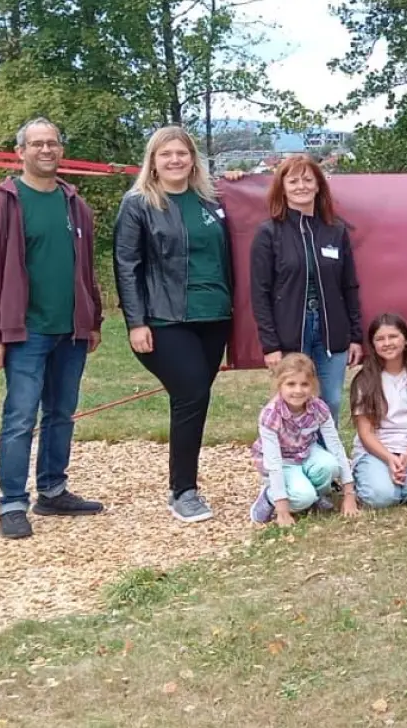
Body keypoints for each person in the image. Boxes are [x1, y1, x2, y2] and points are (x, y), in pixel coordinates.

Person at [0, 118, 106, 540]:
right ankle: (12, 501)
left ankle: (53, 490)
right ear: (20, 152)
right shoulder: (1, 204)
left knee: (61, 414)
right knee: (20, 417)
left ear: (61, 150)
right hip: (26, 332)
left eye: (53, 143)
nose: (46, 150)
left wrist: (93, 318)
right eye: (37, 144)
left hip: (71, 331)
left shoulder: (74, 204)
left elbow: (86, 268)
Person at [114, 124, 233, 523]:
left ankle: (186, 484)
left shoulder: (211, 200)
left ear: (192, 158)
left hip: (214, 316)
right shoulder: (139, 204)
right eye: (166, 154)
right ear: (153, 160)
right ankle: (183, 490)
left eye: (182, 152)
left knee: (194, 400)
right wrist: (136, 322)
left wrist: (239, 179)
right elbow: (126, 265)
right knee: (192, 395)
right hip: (164, 318)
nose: (175, 160)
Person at [249, 155, 364, 430]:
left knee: (331, 401)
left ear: (318, 186)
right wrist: (271, 345)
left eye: (307, 180)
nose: (301, 186)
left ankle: (327, 466)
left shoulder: (335, 230)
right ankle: (293, 464)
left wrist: (356, 336)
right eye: (293, 180)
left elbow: (349, 285)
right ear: (283, 187)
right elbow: (260, 292)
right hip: (290, 333)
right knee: (293, 403)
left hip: (331, 332)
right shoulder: (268, 233)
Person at [248, 353, 359, 525]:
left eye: (304, 384)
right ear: (279, 385)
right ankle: (270, 496)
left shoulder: (318, 408)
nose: (298, 391)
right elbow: (274, 461)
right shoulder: (271, 414)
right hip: (282, 460)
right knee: (302, 497)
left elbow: (335, 446)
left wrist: (349, 494)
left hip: (305, 452)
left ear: (313, 385)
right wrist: (282, 508)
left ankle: (315, 496)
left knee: (330, 466)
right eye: (291, 384)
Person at [349, 314, 407, 508]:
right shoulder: (364, 379)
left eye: (393, 336)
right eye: (380, 339)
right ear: (373, 345)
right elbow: (365, 432)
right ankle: (371, 477)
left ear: (405, 339)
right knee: (381, 498)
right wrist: (389, 458)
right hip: (376, 451)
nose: (387, 343)